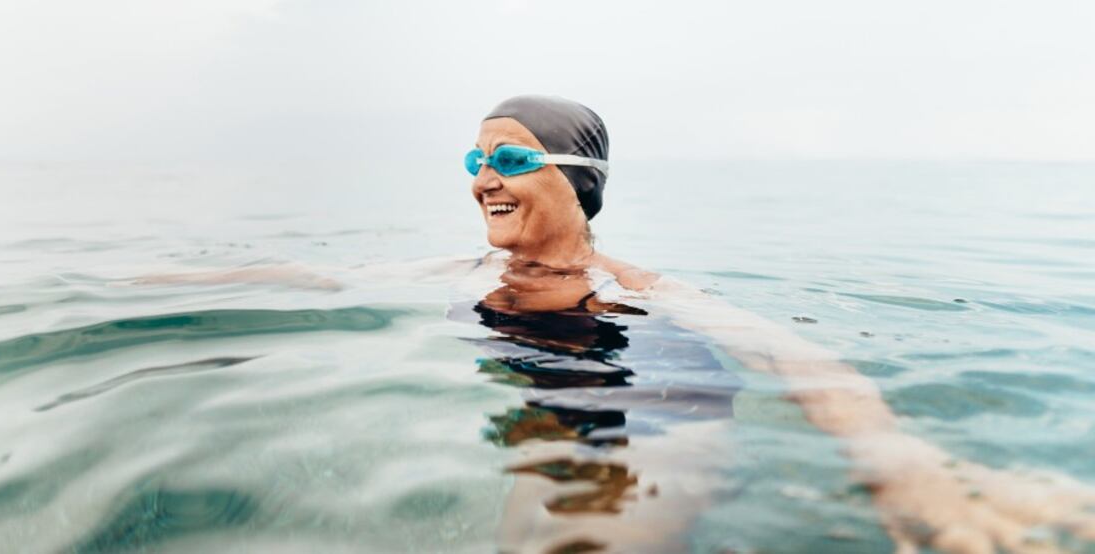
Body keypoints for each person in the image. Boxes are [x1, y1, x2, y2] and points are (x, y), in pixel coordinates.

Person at [141, 95, 1095, 553]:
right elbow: (320, 281)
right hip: (547, 421)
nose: (483, 178)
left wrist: (902, 468)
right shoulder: (468, 272)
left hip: (659, 416)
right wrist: (150, 283)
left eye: (511, 158)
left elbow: (793, 355)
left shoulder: (633, 284)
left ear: (578, 180)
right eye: (474, 159)